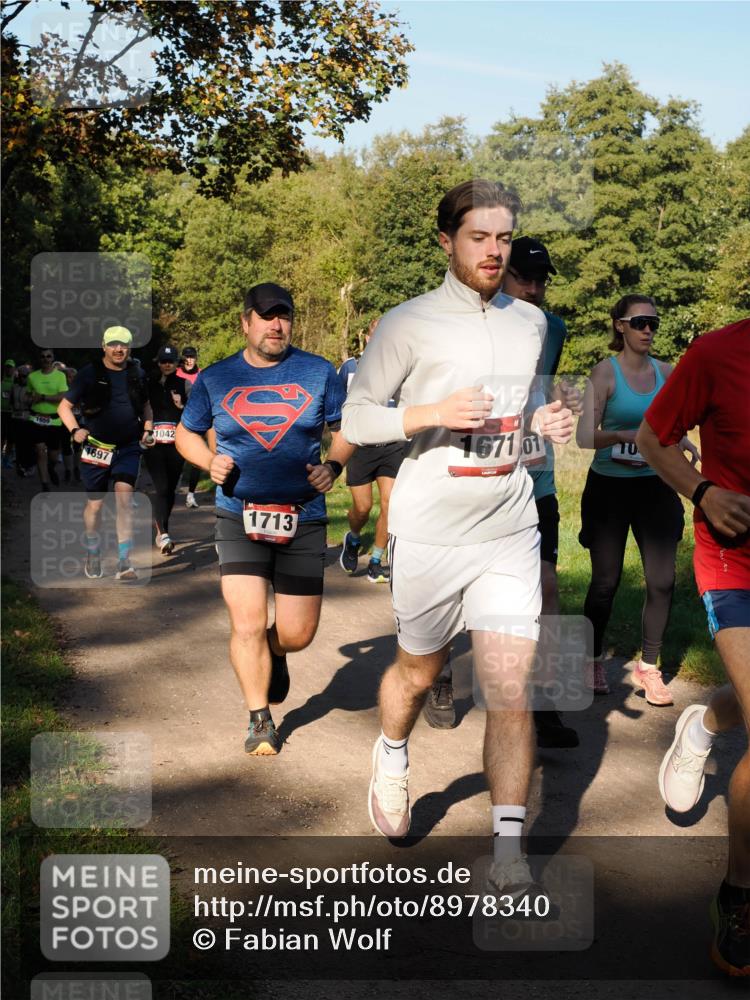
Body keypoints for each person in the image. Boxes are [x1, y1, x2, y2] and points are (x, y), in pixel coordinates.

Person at [342, 179, 573, 901]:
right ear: (447, 241)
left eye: (503, 237)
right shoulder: (407, 322)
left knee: (509, 687)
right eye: (479, 237)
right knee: (418, 673)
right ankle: (392, 752)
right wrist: (430, 412)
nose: (494, 251)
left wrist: (545, 424)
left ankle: (508, 852)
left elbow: (523, 408)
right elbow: (356, 419)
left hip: (508, 525)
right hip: (431, 533)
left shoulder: (530, 324)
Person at [176, 282, 353, 757]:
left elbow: (346, 429)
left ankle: (275, 651)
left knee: (298, 633)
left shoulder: (318, 372)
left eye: (284, 316)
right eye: (267, 315)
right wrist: (207, 461)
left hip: (303, 514)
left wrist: (334, 465)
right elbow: (186, 434)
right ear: (245, 322)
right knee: (247, 622)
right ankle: (260, 718)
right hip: (239, 513)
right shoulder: (216, 378)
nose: (276, 325)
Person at [635, 318, 750, 977]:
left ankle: (702, 724)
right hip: (735, 562)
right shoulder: (717, 353)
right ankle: (740, 894)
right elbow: (653, 438)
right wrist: (704, 492)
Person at [576, 294, 697, 703]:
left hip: (655, 487)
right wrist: (622, 435)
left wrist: (680, 440)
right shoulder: (604, 373)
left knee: (662, 581)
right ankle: (592, 659)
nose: (648, 330)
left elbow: (671, 425)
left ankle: (649, 667)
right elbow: (584, 437)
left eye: (653, 323)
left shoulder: (667, 372)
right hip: (609, 490)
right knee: (605, 582)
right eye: (640, 322)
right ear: (620, 326)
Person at [58, 327, 155, 581]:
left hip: (128, 446)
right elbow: (64, 407)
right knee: (96, 505)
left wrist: (148, 429)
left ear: (130, 347)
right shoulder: (89, 374)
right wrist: (75, 430)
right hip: (96, 446)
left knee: (124, 499)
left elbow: (146, 406)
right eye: (113, 344)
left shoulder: (137, 373)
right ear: (104, 346)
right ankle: (93, 551)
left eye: (123, 345)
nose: (118, 349)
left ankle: (124, 562)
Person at [338, 317, 404, 584]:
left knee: (391, 504)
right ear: (367, 338)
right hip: (360, 446)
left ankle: (376, 561)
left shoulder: (402, 367)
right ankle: (353, 538)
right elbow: (336, 407)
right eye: (377, 335)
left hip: (392, 446)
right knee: (363, 508)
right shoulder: (349, 368)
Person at [143, 345, 188, 555]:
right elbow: (139, 408)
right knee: (161, 487)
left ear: (177, 363)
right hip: (154, 444)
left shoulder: (184, 384)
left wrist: (181, 407)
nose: (167, 365)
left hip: (177, 444)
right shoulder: (148, 383)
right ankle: (163, 534)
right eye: (163, 361)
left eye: (171, 361)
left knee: (170, 489)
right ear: (158, 363)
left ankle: (163, 529)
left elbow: (196, 412)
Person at [27, 349, 68, 491]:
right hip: (36, 418)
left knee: (54, 455)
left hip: (54, 420)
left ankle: (51, 467)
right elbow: (28, 395)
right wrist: (29, 398)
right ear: (39, 359)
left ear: (52, 358)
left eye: (48, 356)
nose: (45, 359)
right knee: (40, 450)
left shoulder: (60, 376)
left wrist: (43, 397)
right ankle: (45, 484)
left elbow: (62, 396)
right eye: (43, 356)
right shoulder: (32, 376)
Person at [176, 346, 202, 508]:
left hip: (197, 422)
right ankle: (173, 485)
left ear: (196, 358)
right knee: (176, 458)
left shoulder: (202, 375)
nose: (189, 360)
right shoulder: (176, 373)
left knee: (195, 460)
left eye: (192, 357)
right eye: (187, 357)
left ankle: (191, 495)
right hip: (177, 421)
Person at [10, 364, 35, 476]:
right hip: (16, 418)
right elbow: (11, 401)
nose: (22, 378)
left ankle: (30, 466)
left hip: (28, 418)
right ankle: (20, 465)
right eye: (20, 376)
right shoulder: (14, 387)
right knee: (18, 443)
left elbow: (34, 404)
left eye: (24, 376)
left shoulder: (32, 388)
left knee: (28, 444)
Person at [2, 358, 16, 467]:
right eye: (7, 367)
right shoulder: (1, 382)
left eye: (10, 368)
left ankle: (6, 460)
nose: (9, 370)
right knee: (1, 437)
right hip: (1, 412)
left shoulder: (16, 384)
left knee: (11, 438)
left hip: (12, 414)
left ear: (14, 369)